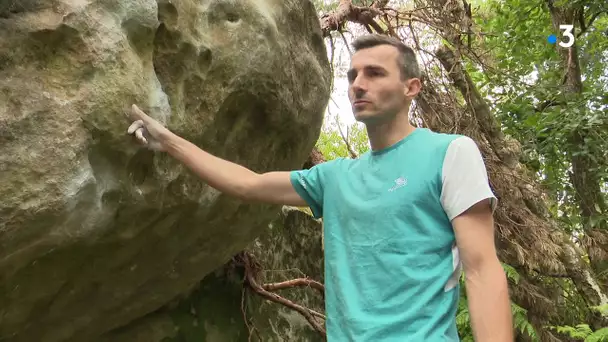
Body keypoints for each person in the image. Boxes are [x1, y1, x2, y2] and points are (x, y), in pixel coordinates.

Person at [127, 34, 513, 341]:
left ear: (412, 87)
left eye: (375, 73)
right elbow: (248, 183)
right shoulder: (334, 178)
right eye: (352, 76)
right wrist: (170, 143)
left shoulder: (449, 153)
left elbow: (481, 269)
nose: (358, 85)